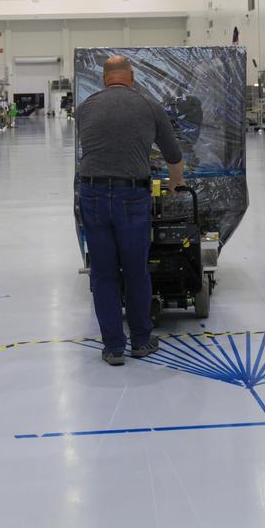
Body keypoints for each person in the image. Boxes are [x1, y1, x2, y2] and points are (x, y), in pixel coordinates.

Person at [76, 56, 184, 366]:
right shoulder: (149, 107)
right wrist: (175, 186)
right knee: (136, 270)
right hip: (132, 196)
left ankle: (112, 347)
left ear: (103, 78)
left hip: (92, 194)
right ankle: (140, 341)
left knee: (103, 273)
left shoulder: (85, 108)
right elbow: (174, 157)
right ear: (132, 77)